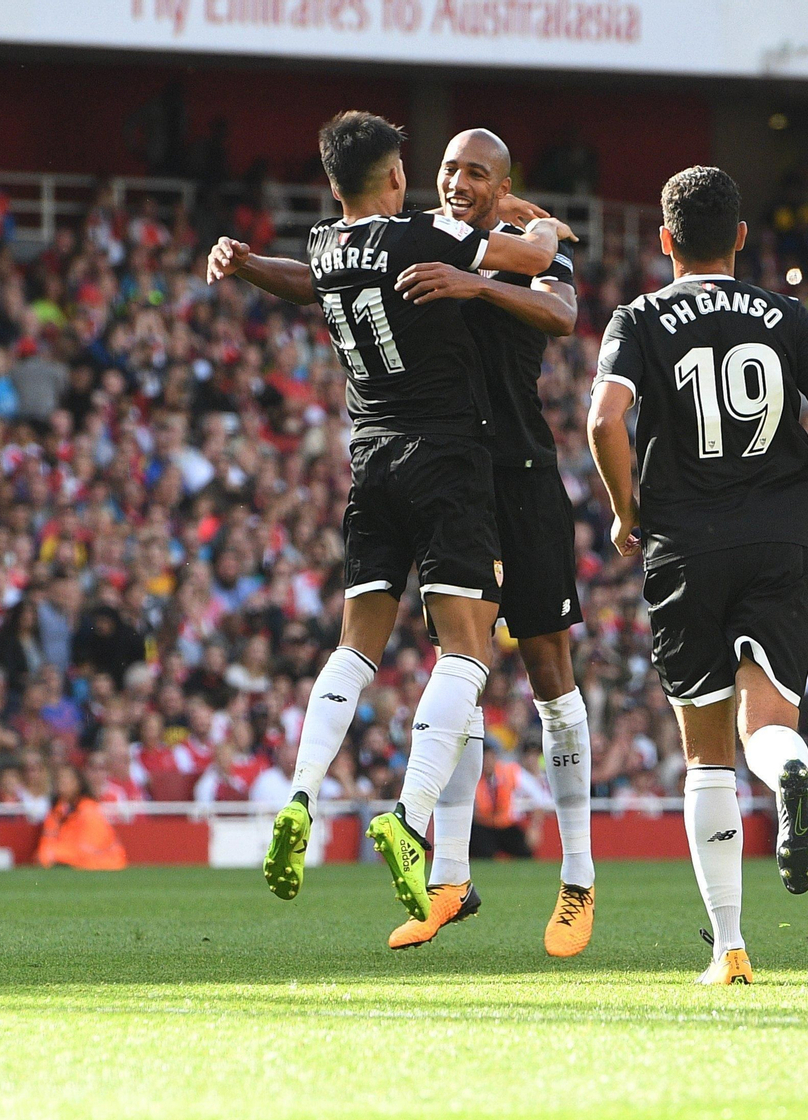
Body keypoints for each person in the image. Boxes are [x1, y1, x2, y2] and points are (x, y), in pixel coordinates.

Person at [215, 127, 597, 958]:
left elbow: (562, 309)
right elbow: (320, 278)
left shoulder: (489, 243)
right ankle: (450, 879)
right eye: (450, 168)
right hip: (453, 471)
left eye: (479, 174)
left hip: (518, 476)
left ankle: (577, 876)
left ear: (504, 186)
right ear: (416, 175)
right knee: (459, 673)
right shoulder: (425, 233)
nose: (460, 182)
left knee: (547, 678)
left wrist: (476, 283)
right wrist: (252, 264)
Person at [588, 165, 808, 985]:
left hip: (684, 543)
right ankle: (788, 766)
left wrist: (623, 509)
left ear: (666, 240)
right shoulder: (784, 313)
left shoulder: (639, 316)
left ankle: (731, 948)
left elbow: (607, 417)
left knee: (706, 752)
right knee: (768, 716)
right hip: (778, 540)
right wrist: (799, 505)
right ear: (742, 237)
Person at [36, 766, 127, 871]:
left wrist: (59, 854)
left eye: (67, 779)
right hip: (68, 857)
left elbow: (90, 847)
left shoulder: (89, 810)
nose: (62, 782)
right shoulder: (56, 812)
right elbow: (46, 843)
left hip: (99, 858)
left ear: (78, 783)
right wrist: (50, 855)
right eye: (59, 779)